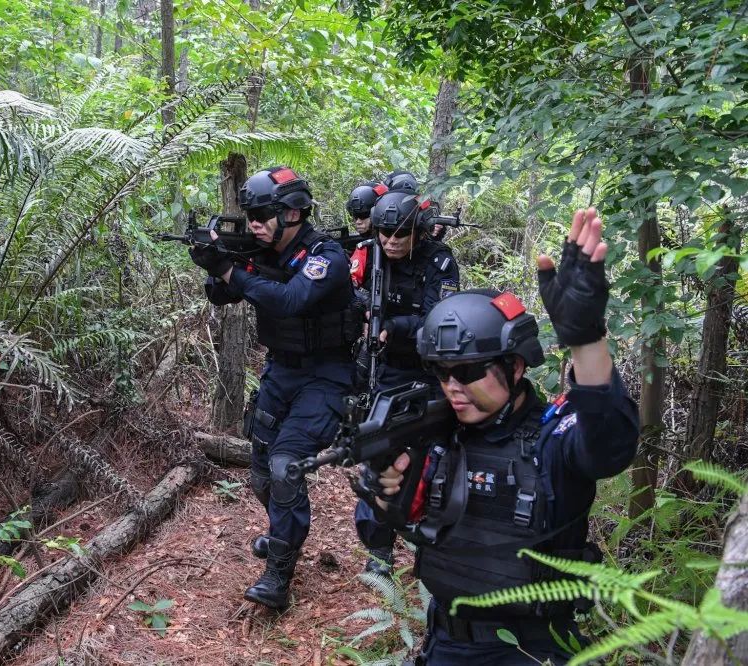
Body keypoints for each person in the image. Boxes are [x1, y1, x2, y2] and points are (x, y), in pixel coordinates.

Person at [365, 209, 639, 664]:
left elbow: (609, 443)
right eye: (441, 372)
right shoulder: (437, 434)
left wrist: (586, 340)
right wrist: (386, 490)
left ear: (514, 367)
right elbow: (391, 526)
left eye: (468, 371)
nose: (453, 386)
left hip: (534, 648)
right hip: (449, 641)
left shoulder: (551, 436)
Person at [189, 166, 362, 610]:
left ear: (293, 212)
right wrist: (218, 263)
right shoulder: (260, 252)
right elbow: (221, 294)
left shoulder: (326, 255)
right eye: (250, 216)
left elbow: (291, 300)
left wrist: (231, 268)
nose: (255, 224)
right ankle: (283, 531)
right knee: (263, 471)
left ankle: (278, 576)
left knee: (286, 465)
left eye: (263, 215)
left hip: (327, 374)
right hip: (281, 371)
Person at [351, 185, 460, 576]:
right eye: (385, 234)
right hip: (385, 371)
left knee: (433, 460)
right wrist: (362, 313)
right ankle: (379, 549)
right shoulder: (369, 253)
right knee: (380, 455)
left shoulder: (440, 262)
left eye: (401, 235)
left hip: (430, 373)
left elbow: (442, 319)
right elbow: (348, 293)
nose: (392, 242)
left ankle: (428, 543)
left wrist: (394, 327)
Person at [345, 181, 388, 286]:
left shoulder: (390, 243)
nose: (358, 221)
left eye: (364, 215)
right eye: (355, 216)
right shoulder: (363, 246)